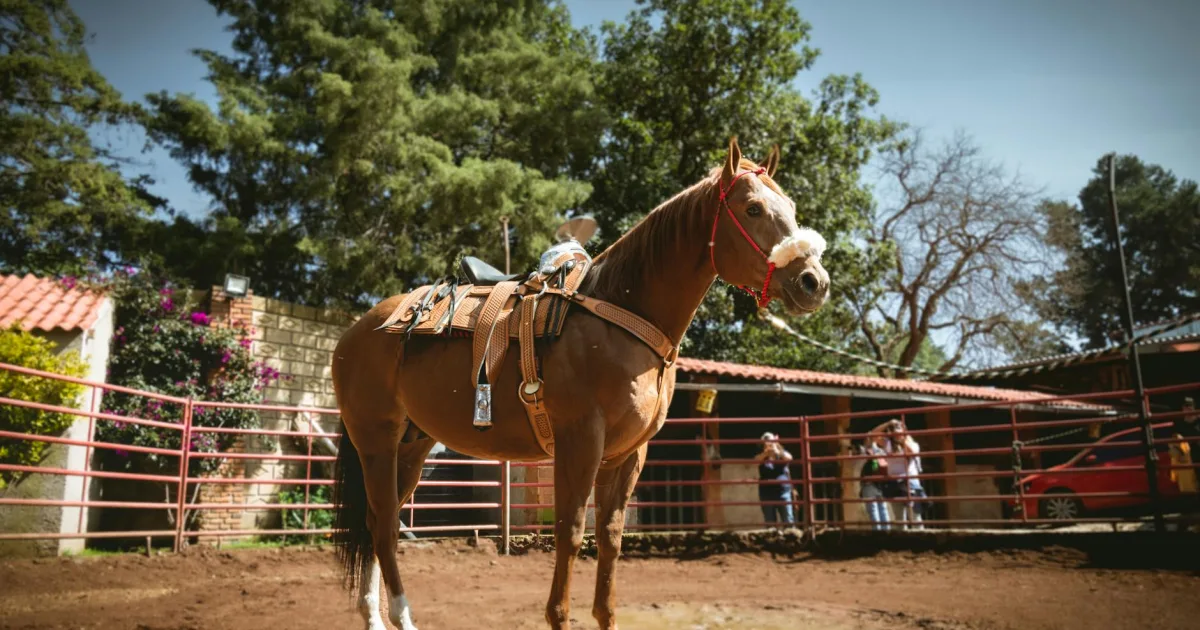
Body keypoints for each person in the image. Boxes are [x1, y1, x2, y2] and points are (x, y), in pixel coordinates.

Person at [873, 418, 927, 530]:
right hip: (895, 484)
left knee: (916, 517)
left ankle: (922, 543)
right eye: (894, 429)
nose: (896, 432)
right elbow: (872, 435)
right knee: (899, 519)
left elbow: (911, 453)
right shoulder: (888, 444)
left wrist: (902, 439)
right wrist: (888, 423)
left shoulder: (913, 444)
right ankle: (902, 545)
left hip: (911, 484)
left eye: (899, 428)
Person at [756, 432, 795, 527]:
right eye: (766, 441)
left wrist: (777, 452)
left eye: (771, 441)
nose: (768, 443)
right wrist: (766, 453)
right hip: (767, 493)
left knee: (788, 520)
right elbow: (755, 460)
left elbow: (789, 458)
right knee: (770, 523)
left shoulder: (781, 452)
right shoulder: (762, 455)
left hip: (783, 492)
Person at [858, 435, 891, 530]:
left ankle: (877, 532)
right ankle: (887, 531)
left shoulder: (867, 451)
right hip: (880, 483)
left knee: (873, 509)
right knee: (883, 508)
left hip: (869, 483)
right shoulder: (882, 451)